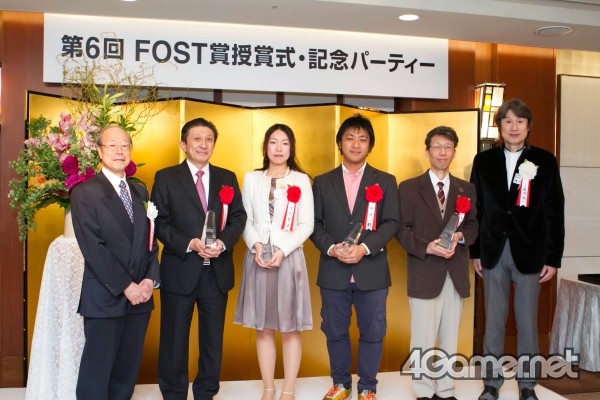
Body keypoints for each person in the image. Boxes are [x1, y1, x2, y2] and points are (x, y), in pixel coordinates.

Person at [469, 99, 565, 400]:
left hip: (531, 252)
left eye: (519, 121)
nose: (513, 127)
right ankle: (491, 383)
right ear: (499, 126)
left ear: (528, 126)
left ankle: (527, 385)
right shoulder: (483, 161)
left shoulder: (545, 161)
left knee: (527, 322)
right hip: (493, 251)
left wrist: (553, 257)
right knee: (493, 322)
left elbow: (554, 212)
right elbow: (475, 210)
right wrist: (475, 251)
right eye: (507, 121)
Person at [151, 117, 247, 400]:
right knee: (173, 341)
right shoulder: (166, 177)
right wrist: (190, 243)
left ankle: (206, 392)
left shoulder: (227, 177)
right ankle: (173, 393)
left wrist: (222, 243)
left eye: (209, 139)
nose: (203, 144)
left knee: (212, 340)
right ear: (183, 144)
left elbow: (238, 218)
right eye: (197, 139)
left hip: (216, 273)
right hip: (180, 270)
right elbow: (159, 222)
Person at [310, 114, 400, 400]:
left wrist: (364, 248)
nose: (356, 144)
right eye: (350, 138)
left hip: (371, 270)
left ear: (370, 145)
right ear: (340, 143)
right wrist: (332, 248)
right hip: (333, 271)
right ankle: (341, 383)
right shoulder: (322, 182)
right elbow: (314, 224)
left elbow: (392, 222)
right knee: (334, 330)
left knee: (373, 331)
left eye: (363, 139)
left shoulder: (385, 181)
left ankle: (368, 387)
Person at [70, 125, 160, 400]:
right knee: (96, 374)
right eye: (112, 145)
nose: (120, 151)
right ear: (99, 151)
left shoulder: (140, 192)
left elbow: (150, 241)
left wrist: (149, 280)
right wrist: (126, 286)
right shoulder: (85, 192)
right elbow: (94, 249)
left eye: (125, 145)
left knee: (126, 373)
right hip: (106, 295)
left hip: (140, 297)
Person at [396, 126, 478, 400]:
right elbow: (402, 230)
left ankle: (445, 389)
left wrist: (460, 237)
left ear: (454, 152)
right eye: (437, 146)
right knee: (422, 337)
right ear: (427, 151)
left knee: (449, 337)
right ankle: (423, 390)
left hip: (455, 273)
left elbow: (474, 226)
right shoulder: (409, 187)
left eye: (448, 147)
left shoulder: (467, 189)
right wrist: (426, 247)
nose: (442, 152)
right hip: (424, 271)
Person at [234, 124, 314, 400]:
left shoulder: (301, 180)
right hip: (258, 257)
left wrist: (283, 249)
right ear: (265, 146)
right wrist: (256, 245)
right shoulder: (251, 178)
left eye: (285, 143)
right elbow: (244, 218)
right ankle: (268, 387)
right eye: (273, 142)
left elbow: (306, 224)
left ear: (291, 148)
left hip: (288, 258)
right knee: (264, 327)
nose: (278, 148)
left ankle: (288, 389)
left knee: (290, 328)